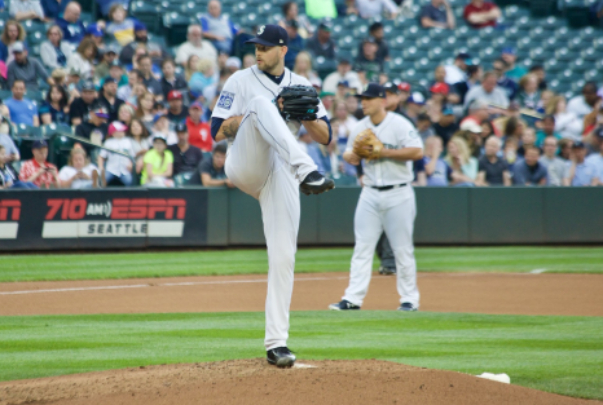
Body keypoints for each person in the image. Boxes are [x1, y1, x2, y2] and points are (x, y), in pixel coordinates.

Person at [211, 24, 334, 367]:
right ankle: (308, 170)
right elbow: (215, 130)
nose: (258, 52)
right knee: (260, 104)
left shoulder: (301, 85)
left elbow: (326, 135)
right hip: (246, 162)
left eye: (265, 47)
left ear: (283, 49)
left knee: (283, 257)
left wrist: (305, 114)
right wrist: (264, 111)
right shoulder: (239, 80)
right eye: (256, 46)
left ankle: (276, 343)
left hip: (280, 172)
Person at [329, 82, 423, 313]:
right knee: (362, 247)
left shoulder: (400, 124)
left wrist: (385, 152)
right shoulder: (359, 126)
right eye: (362, 98)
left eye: (368, 98)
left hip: (399, 192)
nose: (364, 102)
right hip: (370, 193)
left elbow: (417, 151)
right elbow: (349, 155)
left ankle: (409, 299)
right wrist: (353, 156)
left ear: (382, 101)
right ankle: (352, 299)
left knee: (402, 249)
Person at [98, 121, 134, 186]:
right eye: (120, 131)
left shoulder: (128, 141)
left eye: (123, 130)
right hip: (111, 169)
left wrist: (131, 164)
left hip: (124, 170)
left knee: (129, 182)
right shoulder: (108, 142)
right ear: (113, 133)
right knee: (102, 182)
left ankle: (127, 196)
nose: (122, 132)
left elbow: (132, 156)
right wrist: (101, 167)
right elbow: (101, 156)